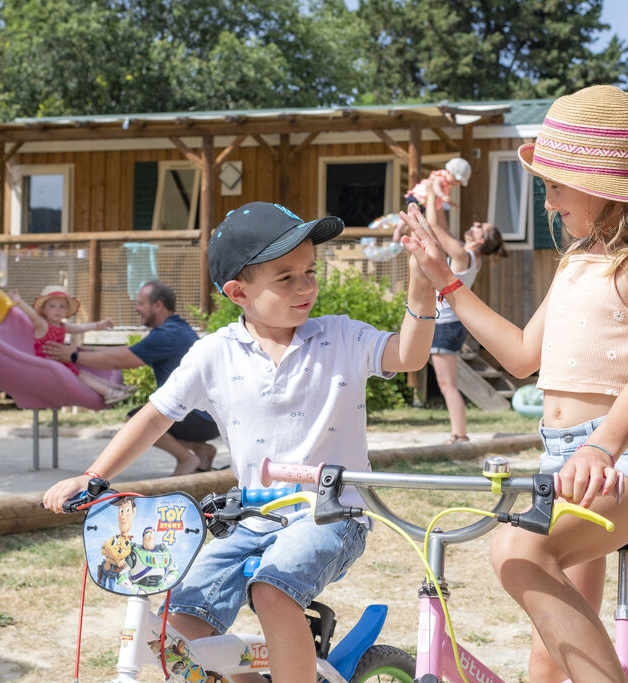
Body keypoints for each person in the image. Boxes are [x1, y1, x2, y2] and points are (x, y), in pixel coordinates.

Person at [45, 201, 436, 681]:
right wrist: (93, 476)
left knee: (272, 589)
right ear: (237, 292)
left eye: (310, 271)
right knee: (179, 623)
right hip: (250, 520)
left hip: (332, 514)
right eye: (285, 277)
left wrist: (421, 288)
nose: (306, 285)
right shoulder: (214, 353)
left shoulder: (341, 338)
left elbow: (410, 355)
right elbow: (154, 417)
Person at [399, 85, 628, 683]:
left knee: (517, 550)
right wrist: (447, 284)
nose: (548, 201)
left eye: (555, 185)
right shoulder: (574, 260)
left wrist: (601, 446)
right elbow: (519, 355)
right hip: (566, 460)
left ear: (602, 184)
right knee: (548, 661)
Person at [42, 280, 220, 476]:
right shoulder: (174, 328)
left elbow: (124, 359)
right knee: (150, 414)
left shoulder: (167, 335)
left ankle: (187, 459)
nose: (136, 308)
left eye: (141, 303)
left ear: (158, 305)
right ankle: (202, 450)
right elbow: (127, 351)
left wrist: (73, 356)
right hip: (207, 417)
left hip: (201, 418)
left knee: (136, 419)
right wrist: (83, 349)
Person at [421, 200, 508, 443]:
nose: (476, 223)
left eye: (480, 227)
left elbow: (435, 230)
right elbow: (443, 228)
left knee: (447, 384)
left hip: (445, 326)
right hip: (452, 325)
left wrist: (431, 192)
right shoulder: (467, 255)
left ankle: (459, 435)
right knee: (447, 383)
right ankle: (459, 433)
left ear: (481, 241)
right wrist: (437, 201)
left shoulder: (462, 254)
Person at [8, 286, 135, 405]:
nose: (57, 310)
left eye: (62, 306)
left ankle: (118, 388)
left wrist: (99, 325)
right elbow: (32, 315)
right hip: (46, 368)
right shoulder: (42, 325)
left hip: (61, 366)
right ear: (44, 310)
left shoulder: (64, 326)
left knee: (86, 374)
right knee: (82, 376)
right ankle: (110, 393)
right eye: (52, 306)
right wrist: (19, 302)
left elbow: (80, 327)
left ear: (67, 310)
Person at [405, 157, 471, 213]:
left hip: (424, 203)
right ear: (449, 172)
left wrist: (451, 202)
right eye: (456, 180)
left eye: (459, 182)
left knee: (414, 217)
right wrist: (442, 196)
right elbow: (436, 186)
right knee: (412, 214)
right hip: (418, 198)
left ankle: (399, 226)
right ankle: (399, 227)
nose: (457, 183)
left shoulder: (447, 184)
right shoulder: (440, 177)